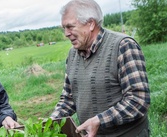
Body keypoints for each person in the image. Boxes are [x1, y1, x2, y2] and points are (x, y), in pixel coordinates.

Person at [50, 0, 150, 137]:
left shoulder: (123, 46)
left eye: (70, 27)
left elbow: (138, 100)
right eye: (64, 28)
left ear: (90, 24)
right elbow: (68, 99)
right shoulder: (72, 54)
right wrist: (49, 123)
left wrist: (99, 120)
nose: (66, 33)